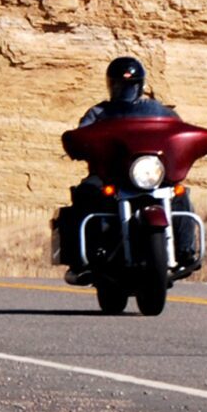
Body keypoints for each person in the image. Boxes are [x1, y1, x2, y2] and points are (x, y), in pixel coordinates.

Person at [55, 57, 184, 275]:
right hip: (108, 174)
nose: (125, 89)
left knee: (180, 193)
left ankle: (185, 250)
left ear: (140, 85)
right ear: (110, 85)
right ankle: (83, 259)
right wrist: (79, 144)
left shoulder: (156, 110)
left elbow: (176, 130)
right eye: (119, 85)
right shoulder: (98, 113)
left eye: (131, 85)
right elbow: (82, 134)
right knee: (86, 192)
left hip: (145, 172)